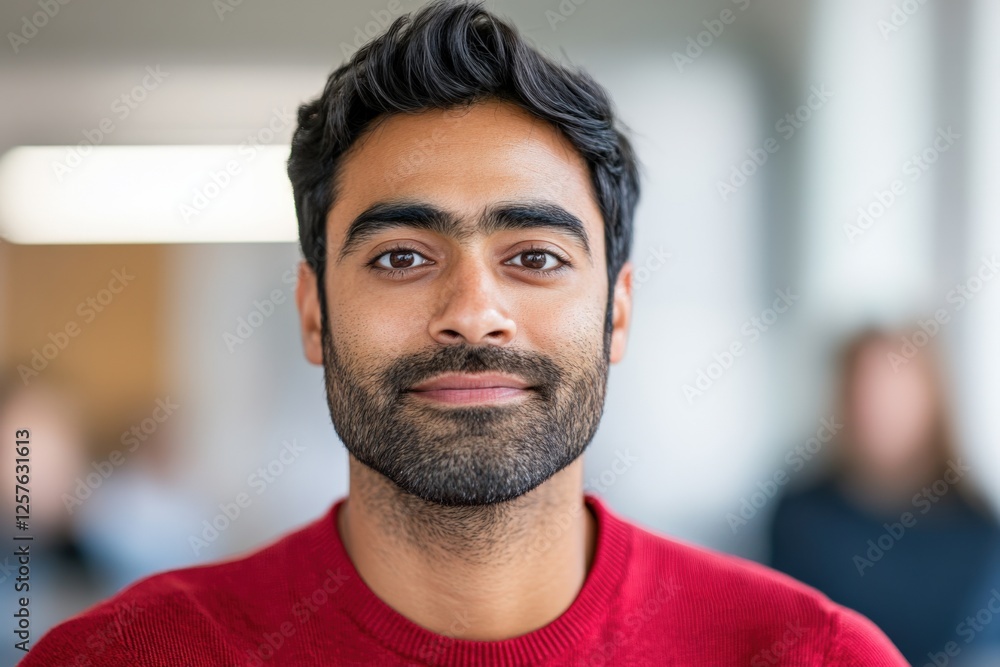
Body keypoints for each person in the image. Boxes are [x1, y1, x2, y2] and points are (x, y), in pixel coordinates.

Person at [21, 2, 908, 664]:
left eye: (535, 256)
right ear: (313, 312)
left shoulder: (812, 656)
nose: (473, 310)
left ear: (619, 312)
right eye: (403, 257)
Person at [769, 328, 1000, 666]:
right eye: (866, 392)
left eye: (896, 393)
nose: (878, 410)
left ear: (932, 400)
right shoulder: (800, 517)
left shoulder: (977, 528)